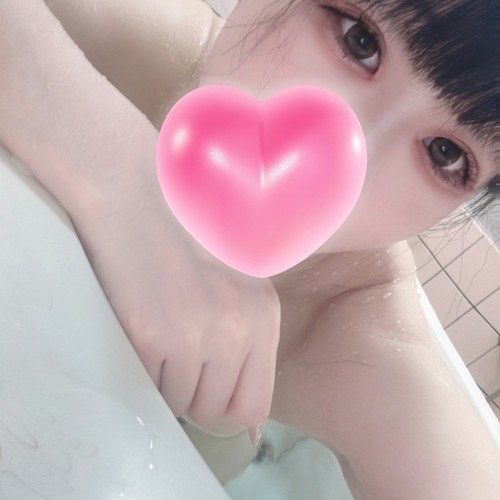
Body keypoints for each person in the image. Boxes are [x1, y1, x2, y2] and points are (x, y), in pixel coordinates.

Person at [1, 0, 498, 497]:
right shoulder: (145, 44)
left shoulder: (351, 329)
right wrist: (118, 176)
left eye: (446, 155)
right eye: (360, 39)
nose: (354, 155)